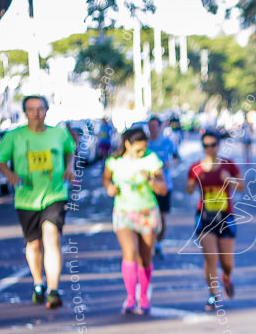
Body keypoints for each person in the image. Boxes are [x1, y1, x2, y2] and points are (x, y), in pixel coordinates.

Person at [0, 95, 76, 309]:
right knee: (34, 244)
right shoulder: (14, 136)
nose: (36, 113)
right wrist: (10, 175)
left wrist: (69, 168)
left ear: (46, 111)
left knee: (51, 237)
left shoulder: (58, 133)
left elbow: (70, 152)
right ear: (25, 112)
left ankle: (53, 289)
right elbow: (0, 160)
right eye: (31, 109)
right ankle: (38, 283)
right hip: (26, 198)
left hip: (55, 194)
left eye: (40, 109)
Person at [103, 127, 168, 315]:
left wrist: (149, 179)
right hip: (124, 212)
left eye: (144, 149)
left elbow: (163, 188)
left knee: (145, 257)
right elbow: (106, 179)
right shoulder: (114, 161)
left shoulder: (151, 159)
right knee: (129, 252)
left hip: (147, 212)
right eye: (138, 150)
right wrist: (109, 187)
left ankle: (144, 296)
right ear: (127, 145)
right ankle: (131, 298)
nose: (141, 153)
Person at [186, 132, 245, 310]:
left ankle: (226, 277)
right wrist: (193, 181)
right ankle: (213, 295)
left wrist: (229, 180)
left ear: (218, 146)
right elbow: (188, 189)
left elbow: (242, 186)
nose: (210, 149)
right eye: (206, 146)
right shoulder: (196, 167)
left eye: (213, 145)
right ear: (202, 147)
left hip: (225, 216)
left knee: (227, 263)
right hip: (205, 217)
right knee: (210, 257)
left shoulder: (229, 165)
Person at [146, 115, 179, 258]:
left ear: (160, 127)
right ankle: (150, 244)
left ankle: (158, 242)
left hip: (165, 184)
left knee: (162, 216)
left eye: (154, 126)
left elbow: (178, 157)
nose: (152, 129)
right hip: (147, 186)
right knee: (149, 216)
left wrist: (168, 164)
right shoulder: (144, 143)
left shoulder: (167, 142)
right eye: (150, 126)